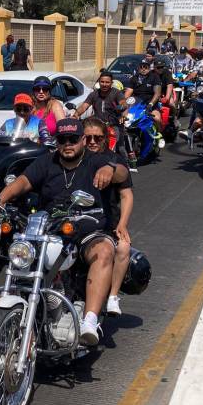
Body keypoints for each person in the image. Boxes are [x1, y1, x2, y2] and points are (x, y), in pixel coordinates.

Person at [0, 118, 129, 345]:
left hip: (89, 229)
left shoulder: (98, 161)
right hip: (51, 229)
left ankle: (89, 320)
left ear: (83, 140)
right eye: (62, 139)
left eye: (73, 139)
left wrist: (111, 168)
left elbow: (122, 174)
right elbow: (23, 182)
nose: (68, 144)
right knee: (20, 258)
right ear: (56, 142)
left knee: (104, 251)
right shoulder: (47, 162)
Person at [83, 117, 132, 316]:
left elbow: (126, 195)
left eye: (98, 138)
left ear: (105, 139)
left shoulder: (114, 161)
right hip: (77, 221)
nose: (93, 142)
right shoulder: (74, 158)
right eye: (88, 138)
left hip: (107, 222)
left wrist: (122, 224)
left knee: (123, 248)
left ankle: (112, 296)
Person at [75, 71, 126, 154]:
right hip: (98, 126)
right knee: (88, 143)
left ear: (111, 83)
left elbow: (123, 103)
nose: (104, 84)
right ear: (99, 82)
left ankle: (125, 165)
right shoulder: (94, 94)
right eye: (102, 82)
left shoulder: (116, 93)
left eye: (107, 82)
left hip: (114, 125)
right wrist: (75, 115)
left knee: (120, 148)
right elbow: (84, 106)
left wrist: (122, 109)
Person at [123, 59, 163, 131]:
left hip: (151, 105)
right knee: (124, 118)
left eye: (146, 67)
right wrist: (124, 103)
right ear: (138, 68)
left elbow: (157, 94)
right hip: (136, 105)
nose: (143, 69)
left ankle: (159, 137)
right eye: (141, 67)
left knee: (156, 118)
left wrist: (151, 104)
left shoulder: (154, 77)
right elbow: (128, 93)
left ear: (149, 68)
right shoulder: (134, 78)